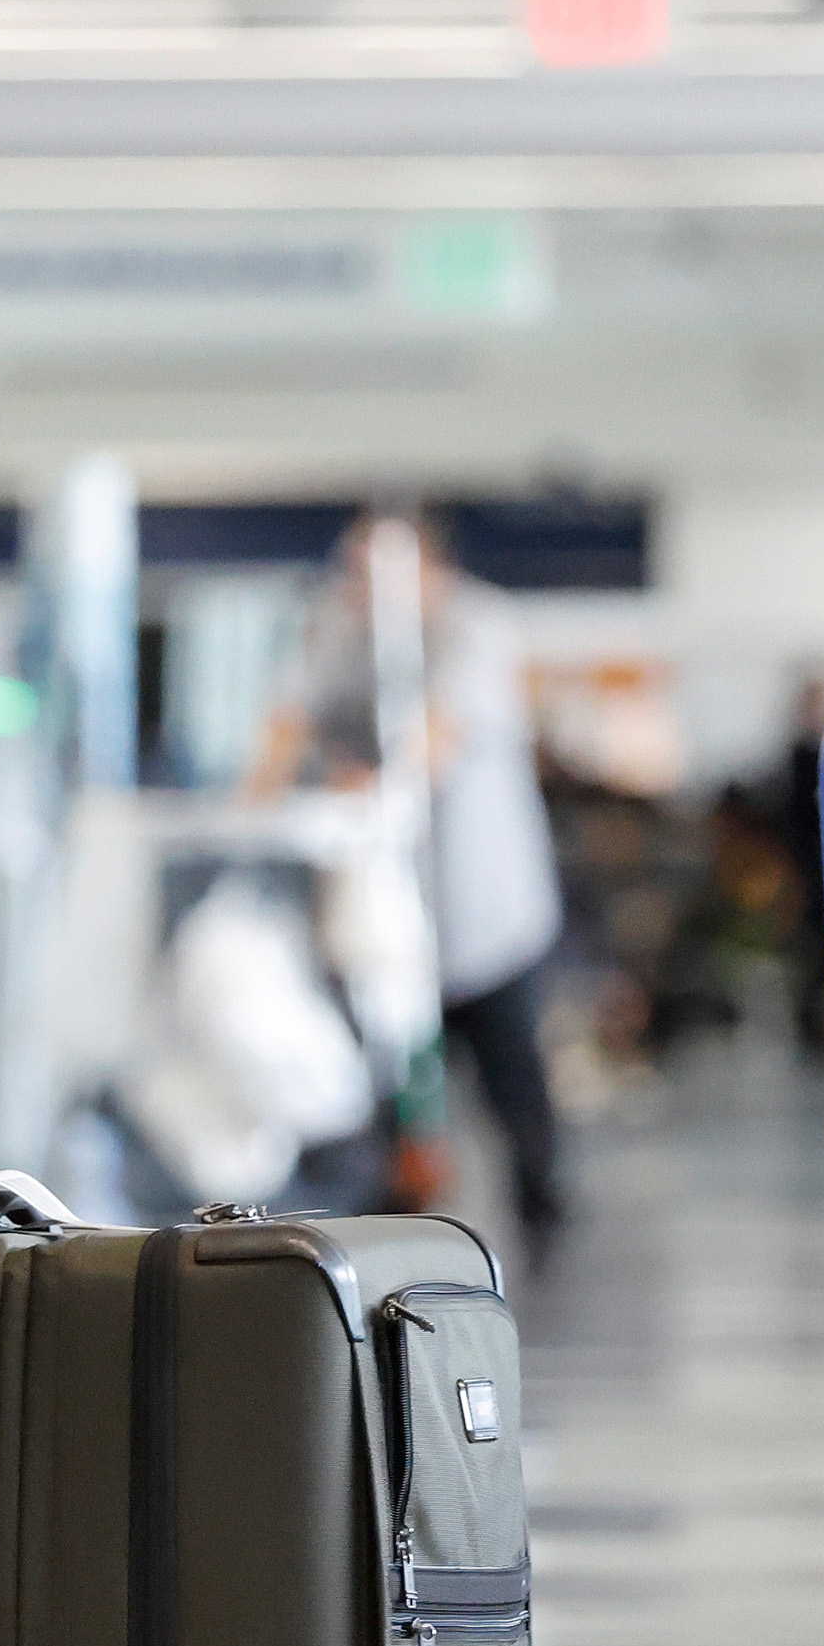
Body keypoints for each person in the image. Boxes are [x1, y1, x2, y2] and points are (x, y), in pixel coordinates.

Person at [260, 516, 577, 1248]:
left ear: (427, 569)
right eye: (353, 576)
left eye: (374, 576)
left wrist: (370, 790)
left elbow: (442, 731)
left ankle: (544, 1211)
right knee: (380, 1084)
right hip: (384, 911)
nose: (359, 592)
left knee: (513, 1077)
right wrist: (258, 807)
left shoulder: (479, 623)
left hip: (484, 907)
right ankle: (383, 1223)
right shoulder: (341, 626)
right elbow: (288, 715)